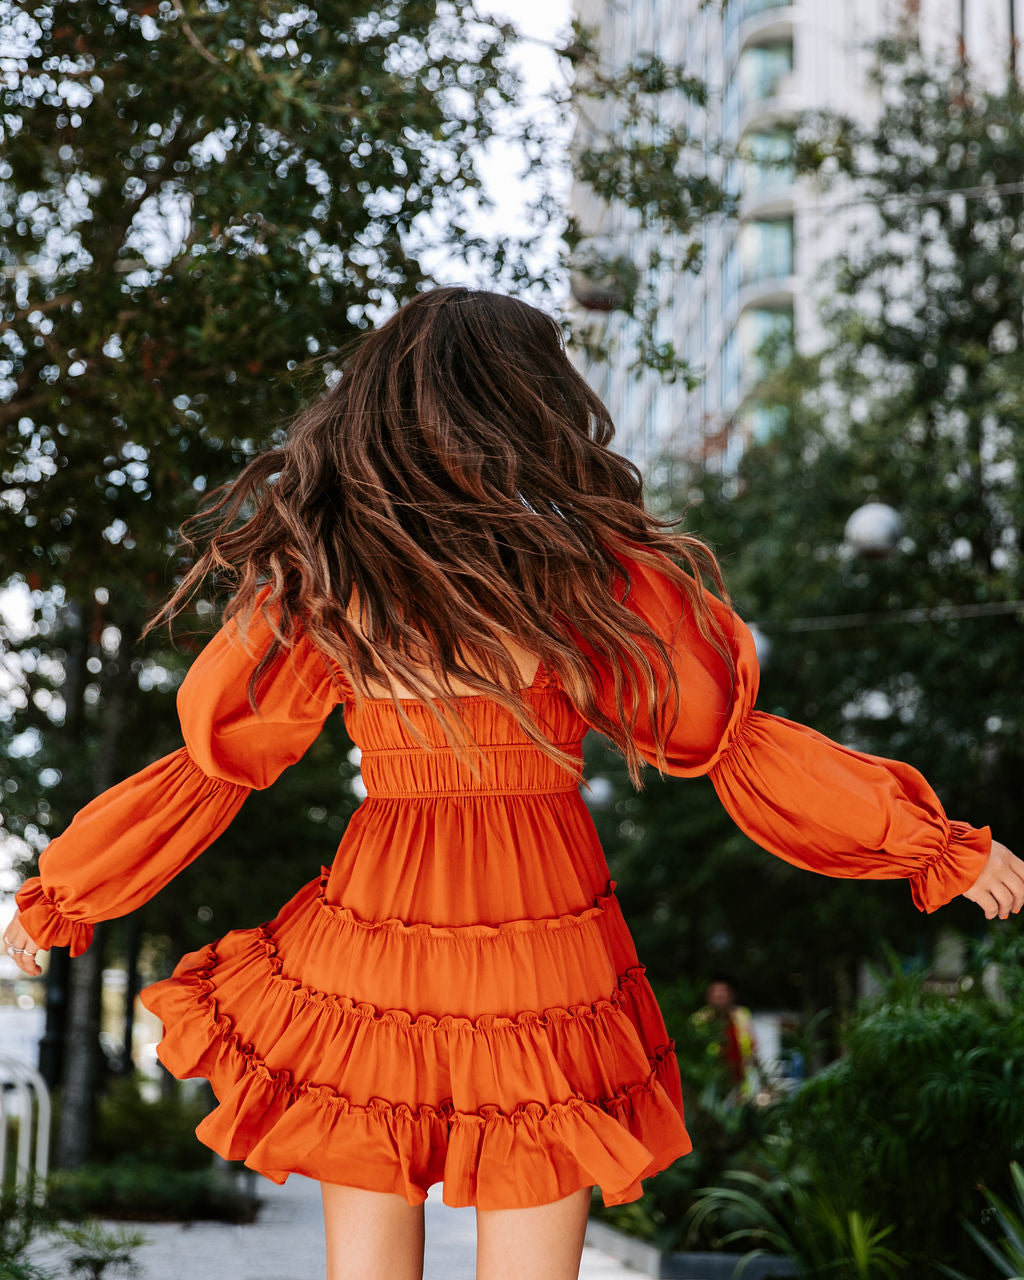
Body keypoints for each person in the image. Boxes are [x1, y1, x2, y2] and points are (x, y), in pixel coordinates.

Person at [4, 287, 1022, 1280]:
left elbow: (214, 761)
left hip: (377, 930)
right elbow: (729, 740)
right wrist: (926, 844)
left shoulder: (335, 575)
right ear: (531, 402)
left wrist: (67, 893)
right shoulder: (583, 570)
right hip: (543, 932)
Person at [691, 973, 766, 1104]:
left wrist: (764, 1080)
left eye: (723, 994)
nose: (720, 998)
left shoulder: (741, 1015)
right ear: (708, 998)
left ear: (731, 996)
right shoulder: (700, 1020)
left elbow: (752, 1049)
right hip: (710, 1085)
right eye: (716, 995)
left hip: (740, 1085)